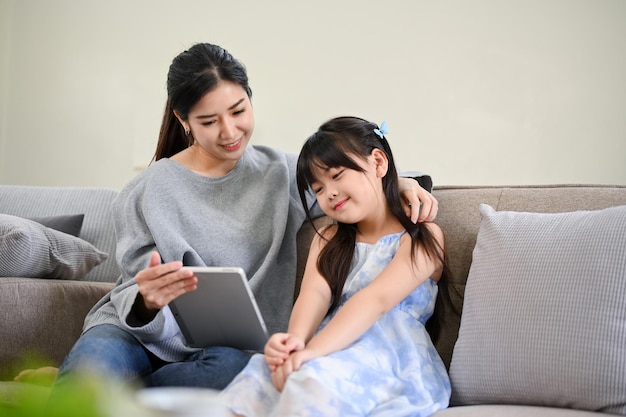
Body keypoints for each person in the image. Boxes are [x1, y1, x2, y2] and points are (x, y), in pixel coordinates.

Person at [50, 43, 438, 393]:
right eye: (209, 121)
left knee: (238, 374)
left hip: (226, 353)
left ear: (250, 100)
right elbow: (133, 295)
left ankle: (106, 392)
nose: (230, 131)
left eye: (238, 111)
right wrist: (147, 302)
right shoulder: (146, 190)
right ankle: (93, 384)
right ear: (183, 121)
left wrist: (404, 184)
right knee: (83, 388)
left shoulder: (282, 173)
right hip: (135, 333)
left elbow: (355, 184)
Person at [220, 116, 450, 416]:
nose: (328, 192)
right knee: (258, 376)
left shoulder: (421, 234)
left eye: (337, 175)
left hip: (389, 356)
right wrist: (294, 344)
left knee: (311, 381)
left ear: (378, 163)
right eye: (317, 188)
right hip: (330, 344)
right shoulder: (328, 237)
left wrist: (312, 352)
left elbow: (375, 301)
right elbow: (313, 296)